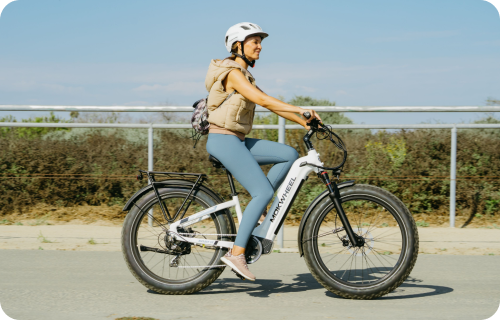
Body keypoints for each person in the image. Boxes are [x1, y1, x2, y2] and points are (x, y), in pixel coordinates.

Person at [205, 22, 321, 281]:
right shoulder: (232, 73)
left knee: (289, 154)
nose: (259, 46)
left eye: (260, 42)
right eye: (254, 41)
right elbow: (263, 100)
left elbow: (272, 106)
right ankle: (236, 254)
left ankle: (257, 212)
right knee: (263, 191)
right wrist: (300, 108)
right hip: (223, 140)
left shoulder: (246, 76)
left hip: (237, 140)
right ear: (238, 45)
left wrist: (304, 121)